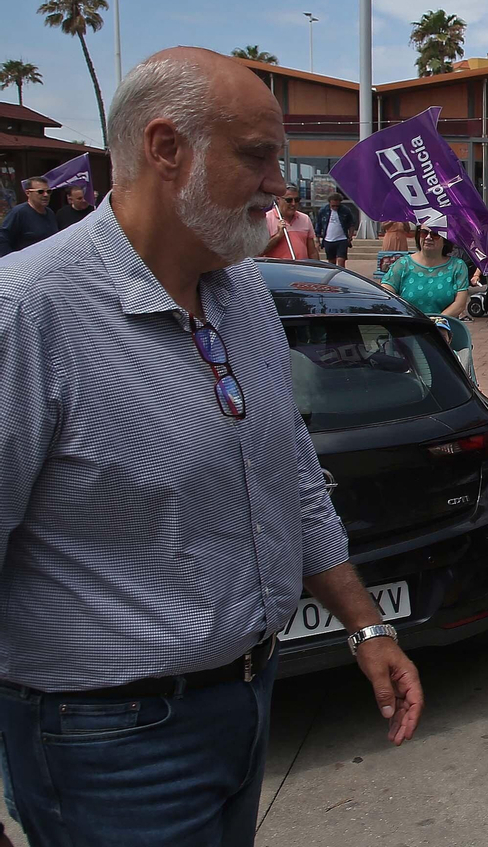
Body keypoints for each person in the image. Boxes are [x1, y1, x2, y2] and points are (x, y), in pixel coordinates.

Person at [0, 48, 422, 847]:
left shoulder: (246, 294)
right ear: (166, 149)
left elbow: (293, 479)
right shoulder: (29, 315)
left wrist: (366, 627)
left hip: (244, 701)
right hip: (106, 742)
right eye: (258, 156)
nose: (280, 184)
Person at [381, 227, 470, 317]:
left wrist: (437, 322)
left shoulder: (457, 266)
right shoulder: (403, 264)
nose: (428, 237)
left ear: (445, 239)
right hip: (408, 327)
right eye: (424, 232)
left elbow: (460, 304)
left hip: (444, 327)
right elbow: (384, 294)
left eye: (435, 234)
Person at [0, 177, 57, 257]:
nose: (46, 195)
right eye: (40, 192)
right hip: (25, 264)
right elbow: (3, 239)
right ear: (28, 193)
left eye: (48, 191)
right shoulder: (19, 212)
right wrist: (12, 260)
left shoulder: (50, 213)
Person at [261, 189, 317, 260]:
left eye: (296, 200)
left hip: (301, 268)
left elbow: (312, 252)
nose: (293, 204)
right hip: (277, 269)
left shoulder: (305, 219)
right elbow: (259, 252)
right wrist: (278, 236)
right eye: (289, 200)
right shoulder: (266, 219)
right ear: (278, 199)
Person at [315, 191, 356, 267]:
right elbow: (318, 225)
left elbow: (352, 224)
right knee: (331, 262)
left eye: (337, 206)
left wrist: (350, 237)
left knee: (341, 260)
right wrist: (317, 240)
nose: (335, 208)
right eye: (333, 206)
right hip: (328, 240)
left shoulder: (345, 210)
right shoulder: (323, 211)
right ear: (329, 202)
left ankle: (341, 275)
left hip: (342, 239)